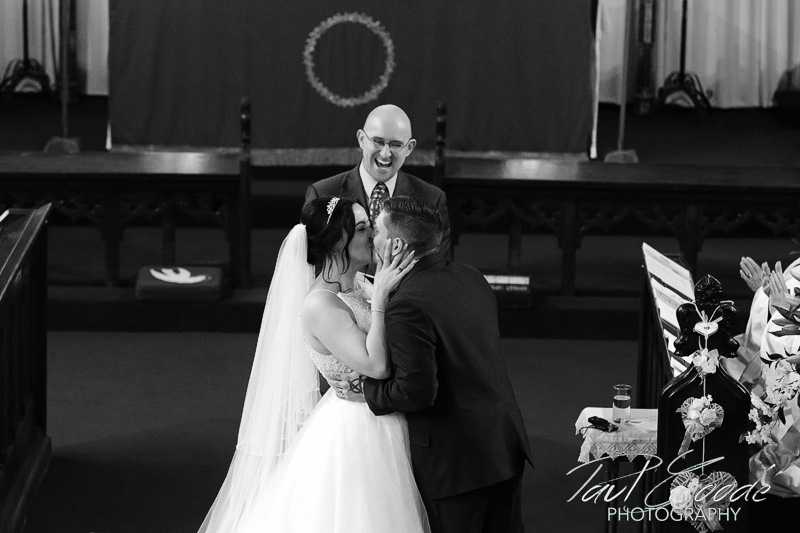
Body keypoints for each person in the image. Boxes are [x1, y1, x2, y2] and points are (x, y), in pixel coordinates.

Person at [197, 196, 430, 532]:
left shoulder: (361, 284)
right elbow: (376, 366)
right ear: (336, 243)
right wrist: (380, 299)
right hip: (357, 428)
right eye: (362, 229)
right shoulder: (320, 304)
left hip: (388, 411)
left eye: (369, 226)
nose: (372, 235)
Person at [335, 196, 533, 533]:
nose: (372, 240)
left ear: (397, 245)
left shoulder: (407, 304)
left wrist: (366, 391)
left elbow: (416, 392)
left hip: (456, 462)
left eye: (377, 232)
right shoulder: (471, 276)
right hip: (503, 443)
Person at [304, 103, 451, 258]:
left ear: (409, 148)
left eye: (396, 144)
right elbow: (310, 263)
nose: (385, 153)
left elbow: (438, 266)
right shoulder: (323, 193)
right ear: (361, 139)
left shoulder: (432, 198)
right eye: (378, 141)